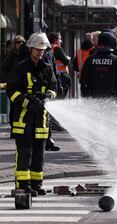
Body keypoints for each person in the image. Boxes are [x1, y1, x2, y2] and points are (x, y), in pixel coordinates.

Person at [6, 32, 57, 197]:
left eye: (42, 50)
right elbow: (11, 91)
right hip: (23, 119)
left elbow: (54, 87)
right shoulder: (20, 67)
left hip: (41, 120)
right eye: (37, 49)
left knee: (38, 155)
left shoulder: (47, 68)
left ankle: (36, 184)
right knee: (24, 154)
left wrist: (47, 96)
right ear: (30, 49)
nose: (40, 53)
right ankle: (23, 185)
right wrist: (27, 101)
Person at [80, 32, 117, 98]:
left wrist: (86, 98)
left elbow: (83, 81)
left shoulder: (90, 59)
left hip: (93, 97)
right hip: (112, 98)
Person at [48, 32, 71, 98]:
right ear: (55, 40)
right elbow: (66, 62)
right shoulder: (58, 48)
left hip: (53, 76)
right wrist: (68, 59)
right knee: (61, 96)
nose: (61, 41)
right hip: (61, 76)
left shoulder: (48, 48)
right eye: (60, 39)